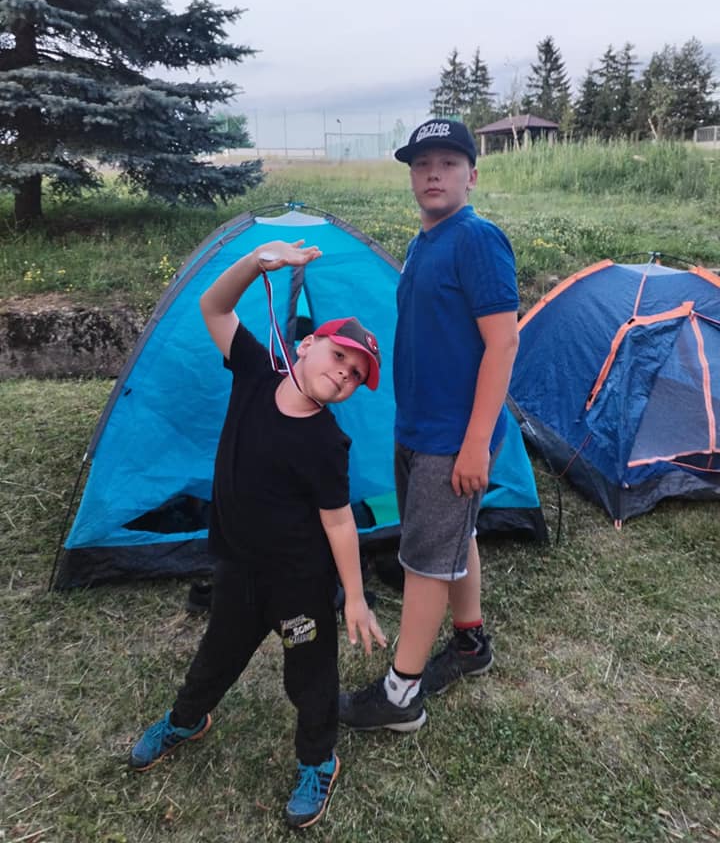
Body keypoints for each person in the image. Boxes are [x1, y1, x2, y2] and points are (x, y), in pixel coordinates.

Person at [129, 239, 386, 829]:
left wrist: (354, 596)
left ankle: (318, 761)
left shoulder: (328, 442)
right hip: (237, 567)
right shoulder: (254, 369)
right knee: (216, 656)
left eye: (355, 376)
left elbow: (339, 520)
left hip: (299, 585)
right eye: (339, 357)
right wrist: (254, 263)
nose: (343, 374)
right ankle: (187, 720)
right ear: (305, 344)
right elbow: (213, 307)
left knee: (310, 677)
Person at [339, 119, 519, 731]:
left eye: (447, 163)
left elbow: (503, 344)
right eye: (421, 164)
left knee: (424, 561)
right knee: (452, 539)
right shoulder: (424, 242)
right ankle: (470, 643)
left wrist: (475, 443)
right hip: (417, 426)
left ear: (472, 175)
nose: (433, 174)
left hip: (453, 437)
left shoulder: (477, 240)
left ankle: (401, 695)